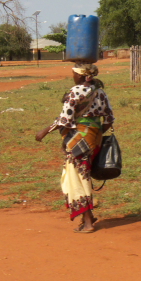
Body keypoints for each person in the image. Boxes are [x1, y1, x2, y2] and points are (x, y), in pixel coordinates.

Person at [35, 63, 114, 233]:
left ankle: (88, 222)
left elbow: (64, 120)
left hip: (79, 141)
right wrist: (94, 133)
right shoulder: (100, 92)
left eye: (74, 73)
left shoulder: (75, 92)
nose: (73, 76)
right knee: (83, 176)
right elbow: (108, 120)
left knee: (76, 180)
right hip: (94, 140)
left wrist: (44, 131)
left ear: (82, 75)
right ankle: (88, 216)